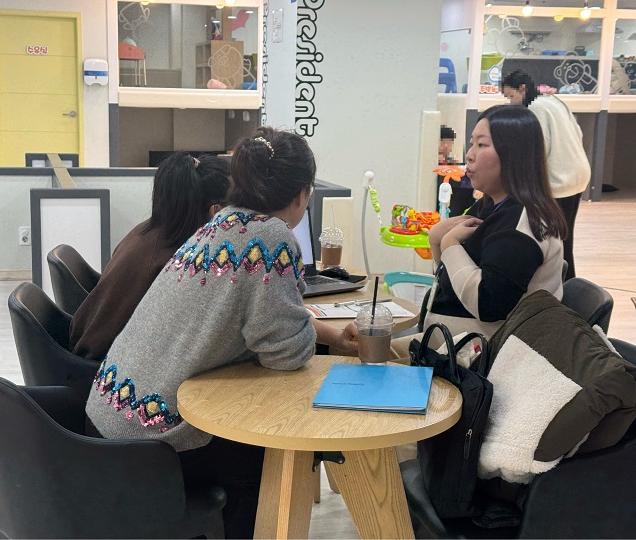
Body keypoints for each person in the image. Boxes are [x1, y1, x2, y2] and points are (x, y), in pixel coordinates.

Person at [85, 126, 358, 538]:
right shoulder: (272, 237)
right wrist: (309, 334)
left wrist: (331, 336)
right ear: (301, 195)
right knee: (274, 452)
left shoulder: (219, 223)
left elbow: (258, 319)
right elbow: (286, 354)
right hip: (153, 442)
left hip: (110, 416)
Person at [384, 105, 566, 356]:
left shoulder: (522, 225)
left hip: (481, 359)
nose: (469, 155)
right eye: (471, 144)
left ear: (514, 154)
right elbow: (455, 279)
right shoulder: (490, 205)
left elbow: (487, 305)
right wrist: (438, 243)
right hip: (452, 344)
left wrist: (449, 245)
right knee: (361, 347)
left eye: (482, 145)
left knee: (365, 358)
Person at [69, 153, 231, 361]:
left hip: (93, 344)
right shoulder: (173, 259)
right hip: (107, 364)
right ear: (215, 211)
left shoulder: (149, 231)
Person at [502, 69, 591, 281]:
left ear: (523, 89)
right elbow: (578, 133)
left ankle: (562, 288)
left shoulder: (536, 109)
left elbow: (538, 150)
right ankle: (568, 285)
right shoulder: (554, 101)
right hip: (578, 174)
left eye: (511, 96)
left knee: (557, 242)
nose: (511, 103)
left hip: (560, 181)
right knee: (565, 238)